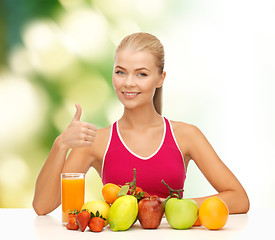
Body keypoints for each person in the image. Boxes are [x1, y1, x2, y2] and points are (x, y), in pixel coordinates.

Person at [33, 32, 250, 215]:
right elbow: (42, 206)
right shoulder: (97, 141)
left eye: (142, 74)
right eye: (120, 72)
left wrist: (168, 208)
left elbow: (239, 199)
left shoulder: (186, 135)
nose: (128, 82)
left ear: (160, 78)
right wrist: (61, 144)